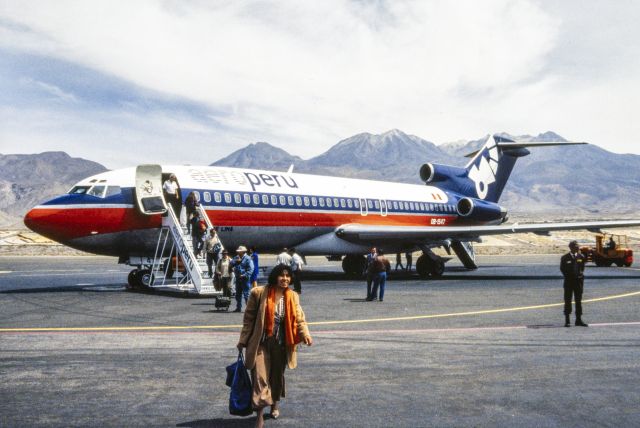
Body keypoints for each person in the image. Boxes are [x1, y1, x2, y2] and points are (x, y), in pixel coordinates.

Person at [236, 264, 313, 427]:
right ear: (275, 276)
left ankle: (275, 404)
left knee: (276, 377)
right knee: (260, 378)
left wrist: (305, 334)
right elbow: (248, 319)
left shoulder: (292, 296)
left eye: (288, 276)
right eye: (281, 275)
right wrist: (243, 340)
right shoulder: (258, 293)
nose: (285, 279)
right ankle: (259, 416)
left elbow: (299, 318)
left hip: (281, 343)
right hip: (261, 342)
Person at [560, 240, 588, 327]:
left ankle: (578, 320)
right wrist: (569, 276)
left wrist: (580, 276)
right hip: (569, 282)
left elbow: (582, 268)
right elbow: (562, 269)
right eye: (575, 247)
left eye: (577, 246)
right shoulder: (565, 258)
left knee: (578, 301)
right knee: (568, 300)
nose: (577, 248)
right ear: (571, 248)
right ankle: (567, 320)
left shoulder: (581, 257)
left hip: (578, 282)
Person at [232, 245, 254, 312]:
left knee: (246, 294)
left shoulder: (248, 258)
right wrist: (236, 262)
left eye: (240, 251)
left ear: (243, 252)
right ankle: (238, 307)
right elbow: (231, 263)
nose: (238, 252)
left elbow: (251, 269)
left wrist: (244, 275)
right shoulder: (236, 257)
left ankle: (248, 308)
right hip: (238, 278)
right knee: (238, 294)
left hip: (245, 279)